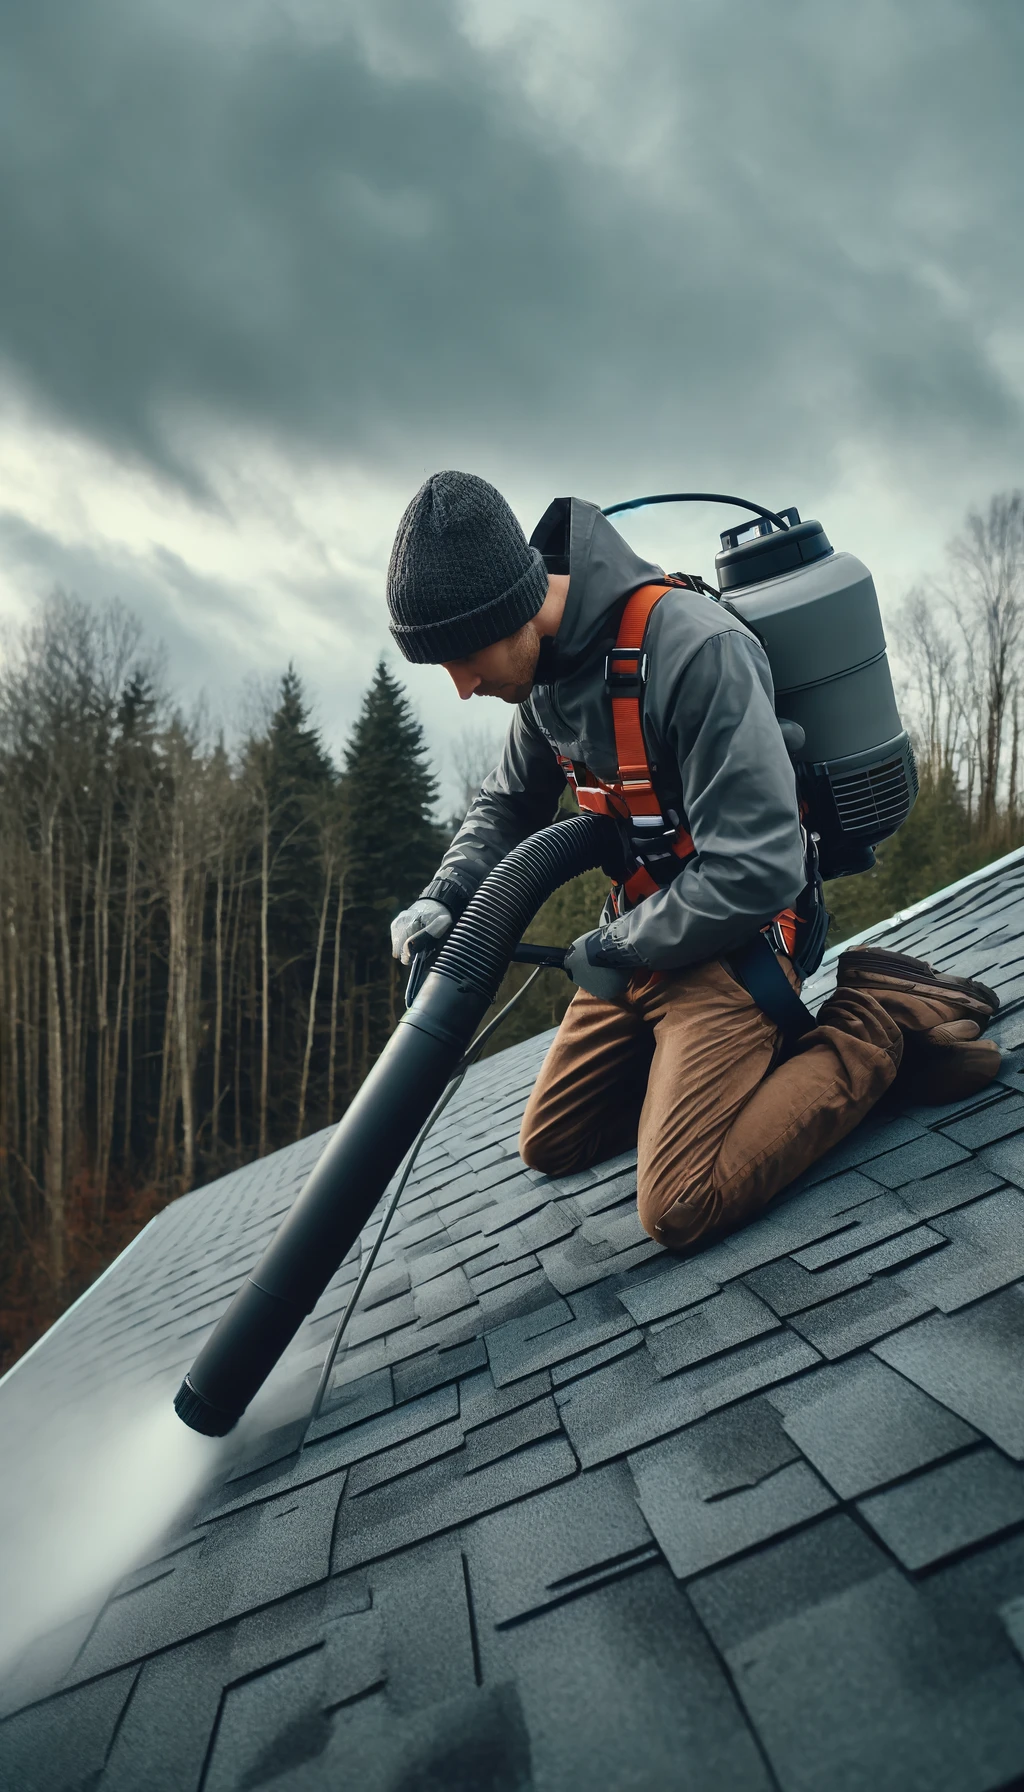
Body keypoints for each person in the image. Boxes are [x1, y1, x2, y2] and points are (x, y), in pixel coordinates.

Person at [387, 471, 1000, 1251]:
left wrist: (618, 945)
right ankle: (738, 1082)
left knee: (679, 1202)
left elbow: (760, 866)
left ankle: (872, 1020)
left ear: (513, 607)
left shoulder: (693, 649)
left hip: (735, 945)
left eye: (464, 657)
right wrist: (447, 895)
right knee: (552, 1142)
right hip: (643, 943)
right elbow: (507, 806)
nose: (464, 687)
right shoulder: (539, 681)